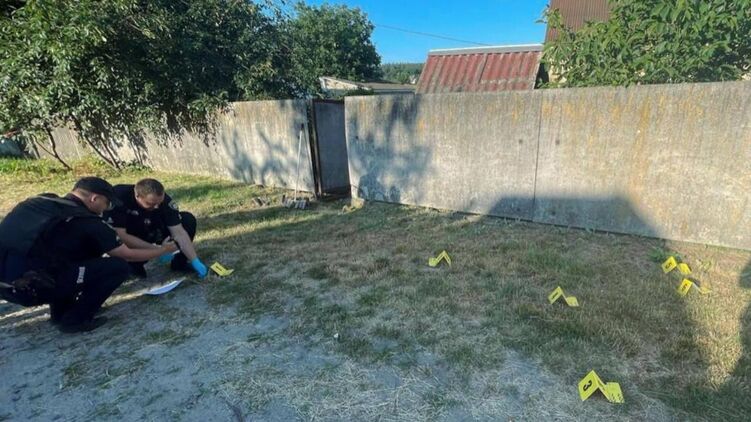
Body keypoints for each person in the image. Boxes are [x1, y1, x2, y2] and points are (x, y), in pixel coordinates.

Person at [0, 177, 178, 333]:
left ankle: (61, 313)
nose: (107, 208)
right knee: (118, 267)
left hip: (8, 285)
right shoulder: (87, 221)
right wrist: (162, 250)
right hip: (32, 288)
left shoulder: (41, 203)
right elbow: (126, 255)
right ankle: (75, 320)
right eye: (107, 203)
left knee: (71, 257)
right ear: (95, 198)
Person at [104, 178, 208, 278]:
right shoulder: (120, 197)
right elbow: (121, 235)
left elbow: (179, 232)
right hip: (132, 232)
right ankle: (135, 264)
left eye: (159, 203)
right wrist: (158, 250)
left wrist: (195, 260)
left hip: (154, 229)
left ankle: (180, 263)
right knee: (134, 272)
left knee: (187, 219)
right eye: (151, 204)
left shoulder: (164, 201)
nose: (157, 207)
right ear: (137, 196)